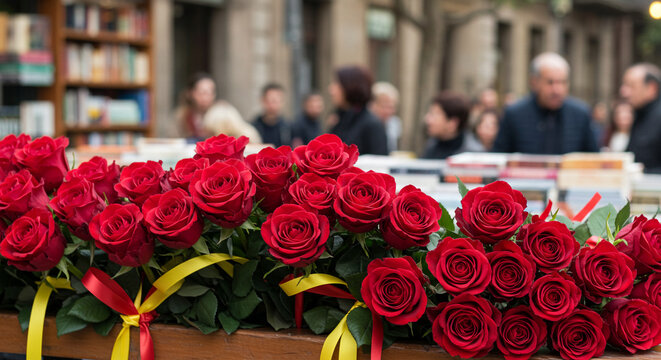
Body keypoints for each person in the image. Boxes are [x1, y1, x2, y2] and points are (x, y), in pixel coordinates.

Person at [493, 52, 598, 154]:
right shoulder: (514, 115)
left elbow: (593, 159)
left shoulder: (580, 115)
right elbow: (499, 157)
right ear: (534, 82)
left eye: (562, 82)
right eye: (550, 82)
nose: (557, 90)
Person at [328, 66, 388, 155]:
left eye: (337, 84)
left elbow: (378, 164)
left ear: (350, 86)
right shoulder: (340, 119)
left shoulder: (371, 125)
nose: (331, 90)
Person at [620, 63, 661, 172]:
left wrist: (642, 172)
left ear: (651, 88)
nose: (624, 91)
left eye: (631, 86)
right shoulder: (640, 113)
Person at [422, 91, 483, 159]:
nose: (428, 120)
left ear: (452, 123)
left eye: (434, 115)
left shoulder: (473, 156)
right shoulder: (431, 144)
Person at [173, 73, 218, 141]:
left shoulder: (220, 114)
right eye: (202, 93)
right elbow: (175, 140)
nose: (205, 98)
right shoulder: (181, 116)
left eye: (210, 93)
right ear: (190, 93)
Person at [252, 83, 291, 147]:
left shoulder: (289, 128)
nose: (273, 104)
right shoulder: (253, 128)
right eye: (270, 100)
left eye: (276, 101)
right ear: (263, 100)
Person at [370, 82, 402, 153]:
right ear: (372, 105)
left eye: (392, 107)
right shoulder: (367, 124)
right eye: (385, 106)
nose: (389, 111)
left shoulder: (394, 123)